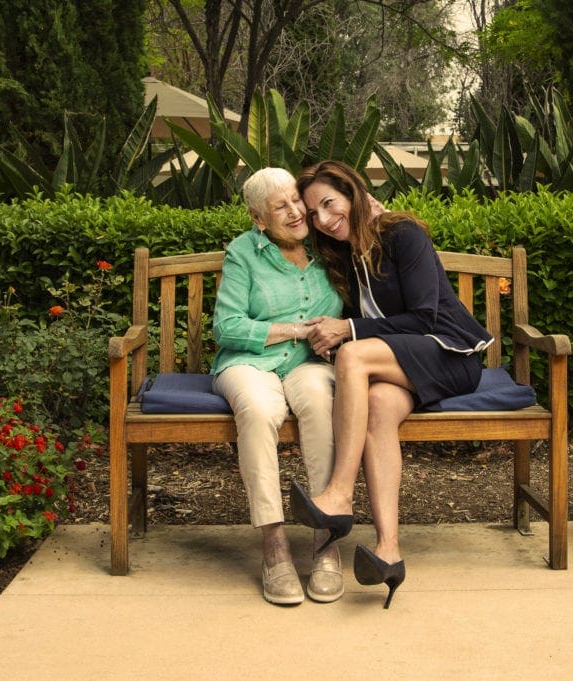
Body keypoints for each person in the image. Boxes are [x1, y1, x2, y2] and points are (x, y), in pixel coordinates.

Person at [289, 160, 493, 609]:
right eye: (313, 213)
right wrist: (328, 331)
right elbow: (368, 319)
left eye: (329, 203)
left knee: (353, 353)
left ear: (352, 192)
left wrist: (347, 330)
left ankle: (340, 494)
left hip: (450, 354)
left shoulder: (402, 234)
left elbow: (425, 317)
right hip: (402, 365)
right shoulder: (346, 253)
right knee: (379, 406)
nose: (323, 219)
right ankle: (388, 552)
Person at [210, 167, 344, 606]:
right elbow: (226, 326)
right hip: (250, 361)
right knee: (258, 408)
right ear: (258, 219)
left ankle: (327, 533)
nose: (294, 212)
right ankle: (275, 545)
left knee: (320, 403)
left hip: (311, 363)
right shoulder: (243, 252)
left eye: (294, 200)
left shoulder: (328, 245)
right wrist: (294, 330)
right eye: (279, 207)